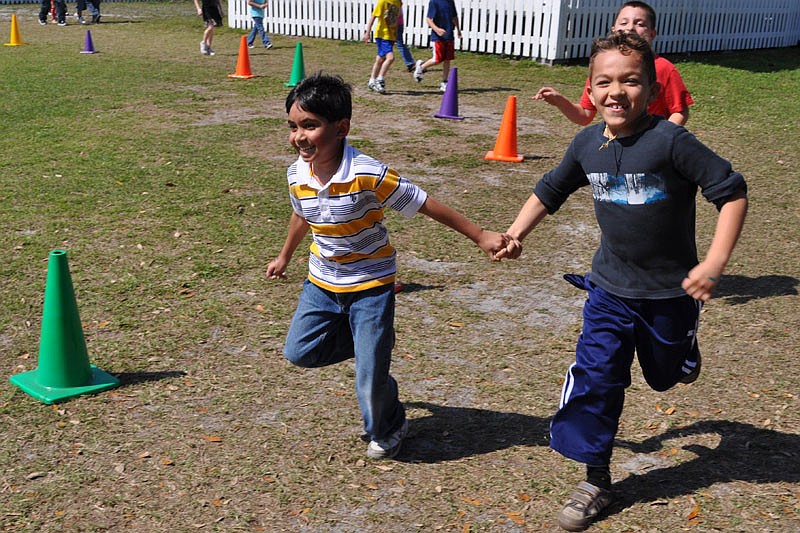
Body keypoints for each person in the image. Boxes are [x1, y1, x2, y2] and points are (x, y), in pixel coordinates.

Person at [497, 32, 747, 531]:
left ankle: (684, 347)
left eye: (630, 81)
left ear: (652, 92)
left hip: (669, 294)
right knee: (598, 378)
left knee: (663, 374)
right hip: (609, 289)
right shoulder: (586, 142)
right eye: (604, 82)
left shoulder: (671, 142)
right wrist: (515, 232)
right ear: (589, 92)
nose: (616, 92)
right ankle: (596, 479)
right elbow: (550, 188)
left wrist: (714, 265)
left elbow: (731, 192)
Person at [267, 73, 506, 460]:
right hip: (321, 281)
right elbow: (302, 214)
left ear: (341, 127)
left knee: (370, 379)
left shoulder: (367, 173)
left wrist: (479, 235)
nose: (299, 136)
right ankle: (372, 346)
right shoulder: (296, 173)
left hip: (370, 284)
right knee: (300, 352)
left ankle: (389, 424)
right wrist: (284, 256)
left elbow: (424, 202)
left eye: (310, 126)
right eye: (293, 127)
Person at [534, 1, 693, 126]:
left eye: (640, 23)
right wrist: (560, 102)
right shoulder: (603, 66)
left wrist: (663, 136)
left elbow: (680, 111)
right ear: (613, 29)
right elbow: (584, 116)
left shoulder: (665, 68)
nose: (630, 27)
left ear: (652, 34)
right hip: (616, 144)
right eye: (624, 23)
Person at [413, 0, 461, 92]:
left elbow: (455, 16)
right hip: (438, 37)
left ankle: (444, 82)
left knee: (447, 59)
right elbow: (428, 19)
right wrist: (437, 29)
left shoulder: (450, 2)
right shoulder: (434, 2)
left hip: (449, 35)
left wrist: (458, 29)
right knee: (437, 59)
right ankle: (422, 67)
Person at [362, 0, 402, 94]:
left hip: (390, 36)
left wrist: (395, 33)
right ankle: (380, 79)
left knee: (380, 59)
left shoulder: (398, 2)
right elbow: (373, 16)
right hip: (382, 35)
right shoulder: (383, 1)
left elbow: (396, 19)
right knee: (390, 58)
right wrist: (367, 32)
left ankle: (371, 81)